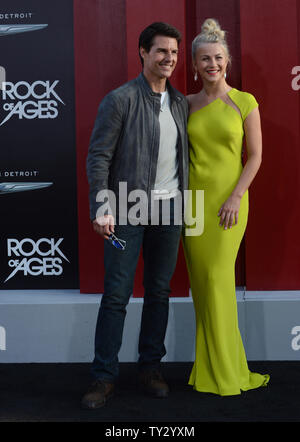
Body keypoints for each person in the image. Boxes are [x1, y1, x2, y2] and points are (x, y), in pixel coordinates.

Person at [82, 22, 189, 409]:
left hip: (170, 210)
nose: (169, 59)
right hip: (127, 209)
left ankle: (150, 368)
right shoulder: (121, 99)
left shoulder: (180, 103)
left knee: (159, 292)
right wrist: (102, 206)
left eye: (174, 53)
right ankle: (102, 377)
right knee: (116, 295)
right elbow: (99, 157)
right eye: (161, 51)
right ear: (143, 52)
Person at [182, 18, 270, 395]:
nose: (211, 64)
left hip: (229, 203)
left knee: (219, 281)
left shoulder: (245, 102)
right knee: (202, 286)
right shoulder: (185, 104)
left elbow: (255, 157)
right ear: (194, 64)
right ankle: (209, 370)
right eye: (204, 59)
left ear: (227, 61)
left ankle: (228, 373)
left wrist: (236, 195)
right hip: (193, 204)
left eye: (217, 57)